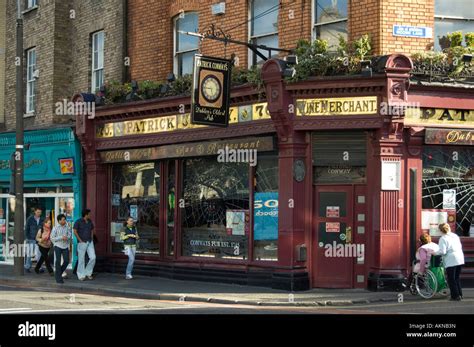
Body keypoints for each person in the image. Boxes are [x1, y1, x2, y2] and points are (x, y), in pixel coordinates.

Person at [436, 223, 465, 301]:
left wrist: (435, 252)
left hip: (451, 259)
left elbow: (443, 251)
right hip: (460, 257)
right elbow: (460, 246)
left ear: (440, 230)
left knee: (451, 279)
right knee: (456, 278)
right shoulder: (455, 236)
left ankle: (455, 296)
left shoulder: (443, 238)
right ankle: (460, 294)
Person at [73, 209, 96, 281]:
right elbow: (75, 231)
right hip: (82, 242)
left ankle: (88, 273)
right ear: (86, 214)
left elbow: (92, 230)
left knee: (93, 257)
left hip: (89, 241)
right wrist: (80, 240)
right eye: (89, 214)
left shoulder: (90, 221)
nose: (90, 215)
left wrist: (92, 238)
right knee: (81, 259)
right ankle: (80, 275)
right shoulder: (78, 221)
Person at [51, 214, 72, 284]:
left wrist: (67, 237)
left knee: (66, 261)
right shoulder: (55, 228)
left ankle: (58, 274)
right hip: (58, 246)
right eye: (63, 219)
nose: (64, 221)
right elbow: (52, 238)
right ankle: (59, 279)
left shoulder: (67, 227)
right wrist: (61, 237)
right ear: (59, 221)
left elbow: (70, 235)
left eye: (64, 219)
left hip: (65, 246)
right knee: (58, 261)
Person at [24, 207, 44, 273]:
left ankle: (39, 267)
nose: (39, 214)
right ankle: (27, 267)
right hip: (31, 239)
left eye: (40, 212)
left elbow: (43, 229)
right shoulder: (30, 219)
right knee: (29, 254)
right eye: (38, 212)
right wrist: (27, 237)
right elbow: (26, 228)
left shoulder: (42, 219)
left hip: (39, 239)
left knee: (39, 254)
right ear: (35, 212)